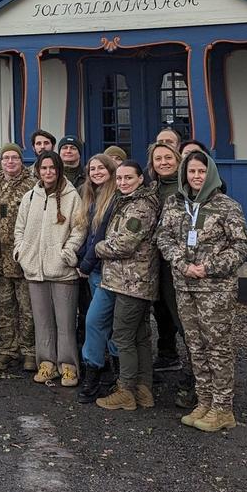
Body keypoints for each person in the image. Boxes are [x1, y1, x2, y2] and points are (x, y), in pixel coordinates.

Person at [157, 151, 247, 432]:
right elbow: (163, 236)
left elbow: (241, 246)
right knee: (195, 347)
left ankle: (223, 408)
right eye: (191, 172)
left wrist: (208, 267)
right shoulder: (175, 204)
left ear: (209, 173)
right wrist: (181, 262)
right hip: (184, 286)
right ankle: (205, 401)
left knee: (218, 348)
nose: (196, 177)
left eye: (200, 171)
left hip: (216, 290)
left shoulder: (227, 206)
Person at [13, 150, 85, 388]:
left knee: (65, 323)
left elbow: (79, 228)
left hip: (62, 270)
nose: (48, 172)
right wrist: (20, 252)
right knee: (42, 321)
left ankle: (68, 366)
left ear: (59, 170)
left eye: (52, 168)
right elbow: (19, 229)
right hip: (35, 269)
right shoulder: (30, 197)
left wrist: (68, 252)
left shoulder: (72, 196)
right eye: (44, 168)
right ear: (38, 171)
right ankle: (46, 363)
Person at [94, 160, 162, 411]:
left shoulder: (140, 208)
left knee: (122, 336)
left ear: (140, 179)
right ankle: (143, 389)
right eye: (119, 178)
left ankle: (125, 391)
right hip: (131, 281)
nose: (122, 183)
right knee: (140, 336)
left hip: (131, 282)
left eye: (128, 178)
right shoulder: (128, 202)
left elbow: (124, 244)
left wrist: (98, 247)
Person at [0, 143, 38, 373]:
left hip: (23, 258)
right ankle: (6, 350)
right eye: (6, 157)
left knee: (27, 307)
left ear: (21, 160)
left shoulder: (33, 186)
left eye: (14, 157)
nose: (10, 161)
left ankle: (29, 351)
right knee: (4, 308)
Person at [76, 153, 121, 403]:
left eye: (101, 168)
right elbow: (87, 234)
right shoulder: (90, 197)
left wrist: (85, 263)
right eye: (92, 168)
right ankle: (106, 374)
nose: (96, 172)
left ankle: (99, 375)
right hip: (94, 270)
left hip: (108, 270)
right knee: (103, 321)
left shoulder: (114, 198)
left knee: (96, 321)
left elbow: (100, 236)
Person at [146, 142, 186, 377]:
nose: (163, 162)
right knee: (160, 311)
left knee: (182, 315)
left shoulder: (185, 189)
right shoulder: (152, 188)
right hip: (155, 261)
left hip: (178, 262)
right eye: (158, 159)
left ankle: (198, 374)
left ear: (178, 160)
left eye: (168, 158)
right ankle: (168, 355)